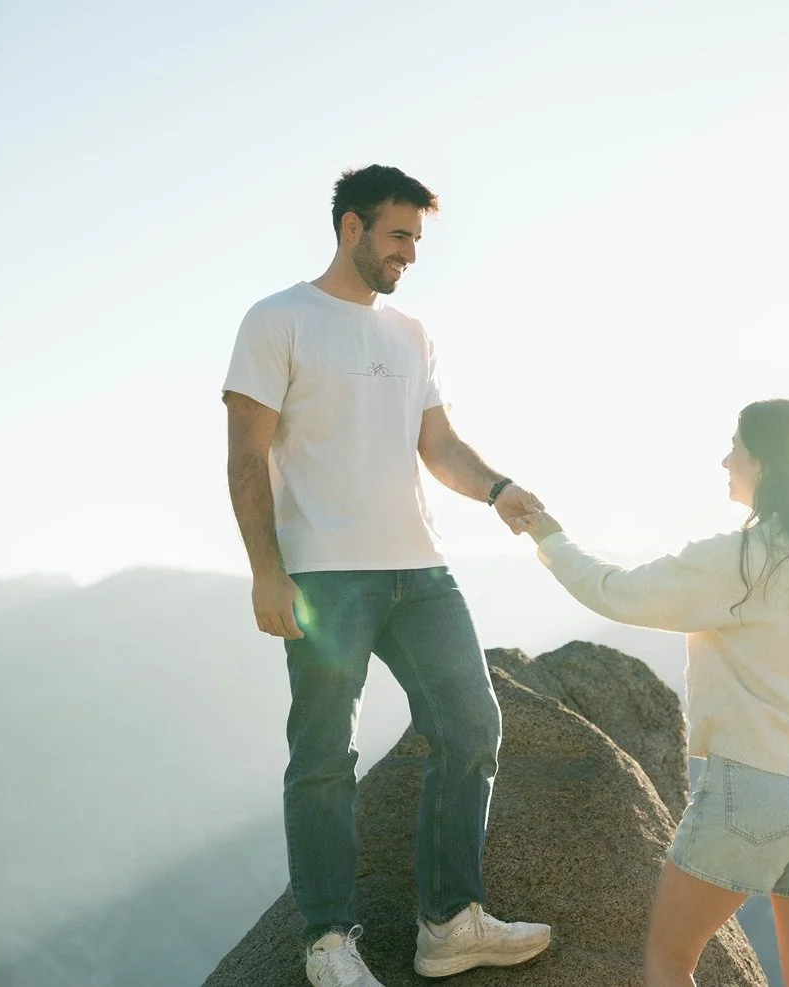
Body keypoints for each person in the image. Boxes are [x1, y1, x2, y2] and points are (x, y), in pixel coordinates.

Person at [222, 164, 552, 987]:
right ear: (351, 228)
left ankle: (448, 923)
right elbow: (245, 457)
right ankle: (328, 942)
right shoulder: (277, 320)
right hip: (326, 577)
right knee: (325, 755)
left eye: (416, 238)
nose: (410, 252)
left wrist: (500, 490)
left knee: (472, 724)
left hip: (422, 570)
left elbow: (438, 447)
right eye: (399, 234)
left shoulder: (411, 333)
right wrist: (267, 571)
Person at [510, 399, 789, 987]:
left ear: (764, 464)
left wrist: (549, 536)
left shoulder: (741, 558)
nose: (724, 460)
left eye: (734, 448)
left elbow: (618, 593)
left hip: (753, 790)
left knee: (669, 959)